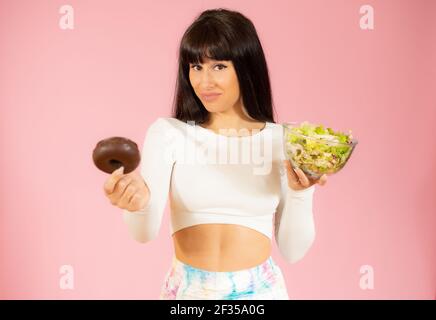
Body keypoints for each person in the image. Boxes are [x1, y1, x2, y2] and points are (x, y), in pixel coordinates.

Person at [103, 8, 328, 300]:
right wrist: (135, 203)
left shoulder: (285, 140)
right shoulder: (168, 134)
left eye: (218, 66)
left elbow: (294, 251)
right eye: (196, 67)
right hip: (188, 292)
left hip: (260, 292)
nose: (204, 82)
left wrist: (301, 193)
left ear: (246, 67)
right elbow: (143, 233)